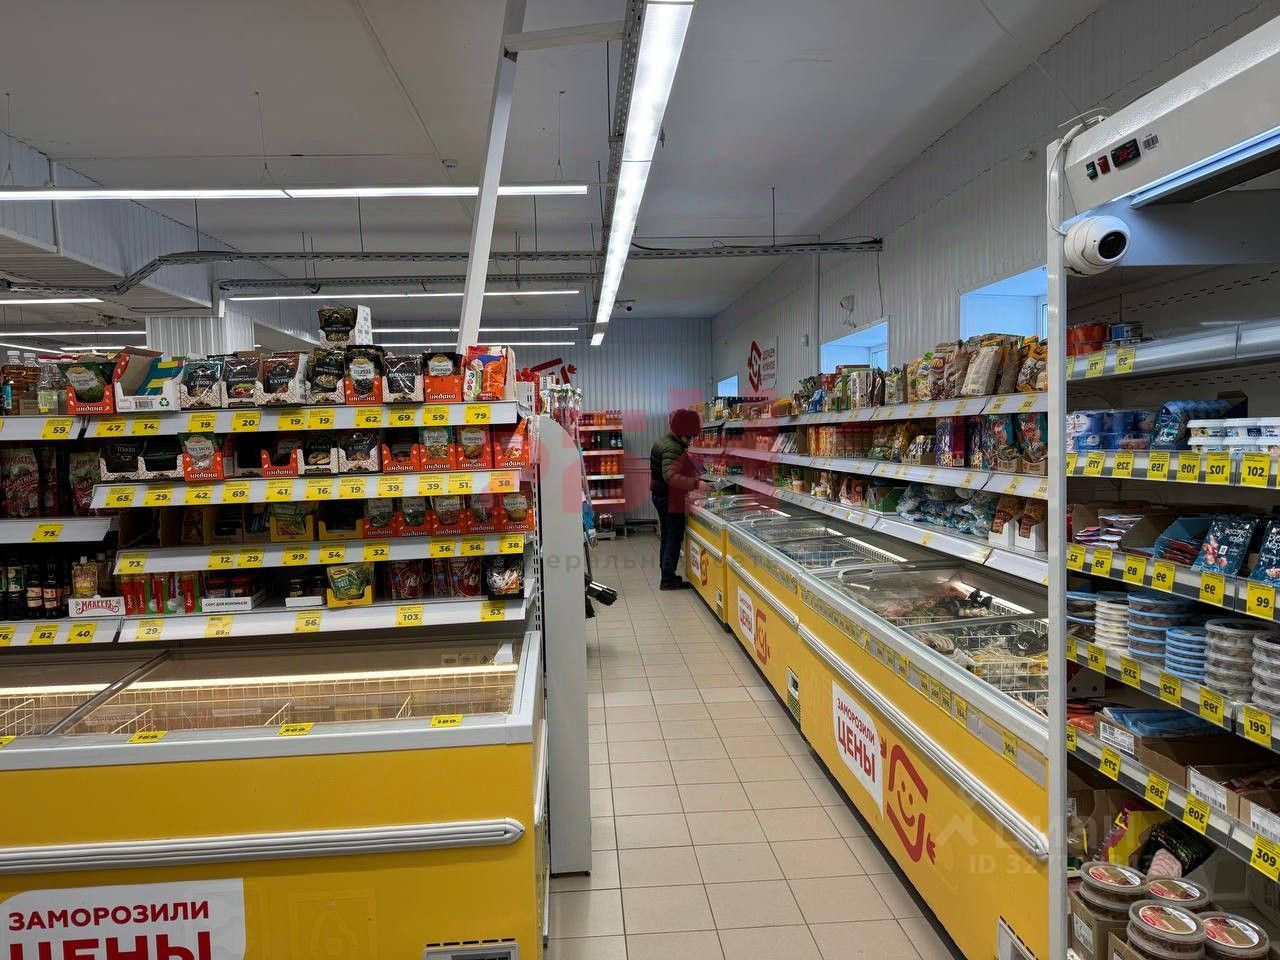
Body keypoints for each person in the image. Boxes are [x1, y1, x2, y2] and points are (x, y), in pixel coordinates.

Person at [650, 409, 702, 590]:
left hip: (661, 495)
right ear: (682, 432)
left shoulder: (664, 441)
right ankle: (667, 579)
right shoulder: (673, 447)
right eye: (690, 437)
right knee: (673, 537)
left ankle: (667, 574)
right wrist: (696, 484)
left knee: (667, 536)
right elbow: (670, 477)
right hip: (669, 498)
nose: (691, 441)